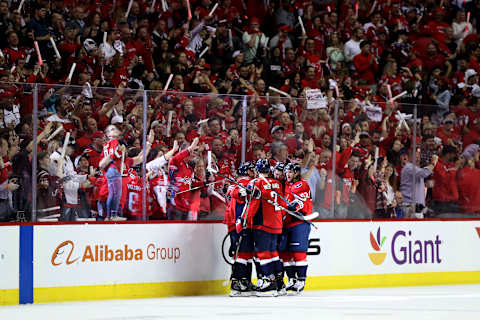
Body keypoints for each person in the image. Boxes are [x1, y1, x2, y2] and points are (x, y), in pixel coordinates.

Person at [238, 158, 284, 297]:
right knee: (273, 253)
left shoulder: (256, 182)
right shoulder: (277, 183)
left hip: (263, 223)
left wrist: (243, 220)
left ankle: (269, 283)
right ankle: (279, 284)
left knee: (263, 254)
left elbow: (252, 205)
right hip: (276, 223)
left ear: (257, 170)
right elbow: (280, 202)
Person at [282, 162, 313, 295]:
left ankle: (301, 280)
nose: (288, 174)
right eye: (286, 172)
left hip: (299, 222)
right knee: (285, 254)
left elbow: (301, 201)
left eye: (290, 172)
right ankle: (291, 279)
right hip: (286, 223)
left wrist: (294, 205)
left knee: (299, 252)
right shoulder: (285, 185)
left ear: (296, 173)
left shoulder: (302, 184)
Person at [227, 161, 256, 297]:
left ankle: (245, 281)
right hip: (240, 223)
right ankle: (237, 282)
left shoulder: (243, 182)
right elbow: (234, 192)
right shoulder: (244, 182)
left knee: (247, 254)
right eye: (252, 169)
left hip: (240, 223)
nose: (254, 172)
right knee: (242, 254)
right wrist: (242, 192)